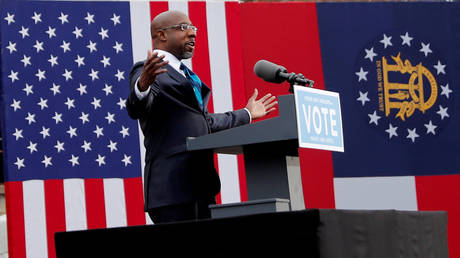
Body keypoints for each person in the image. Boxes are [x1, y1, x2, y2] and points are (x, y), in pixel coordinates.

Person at [126, 10, 277, 224]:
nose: (192, 34)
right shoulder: (148, 70)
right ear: (161, 35)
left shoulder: (188, 77)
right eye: (183, 28)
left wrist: (247, 114)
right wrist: (143, 85)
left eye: (194, 29)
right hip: (172, 191)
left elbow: (206, 124)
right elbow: (137, 107)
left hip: (201, 188)